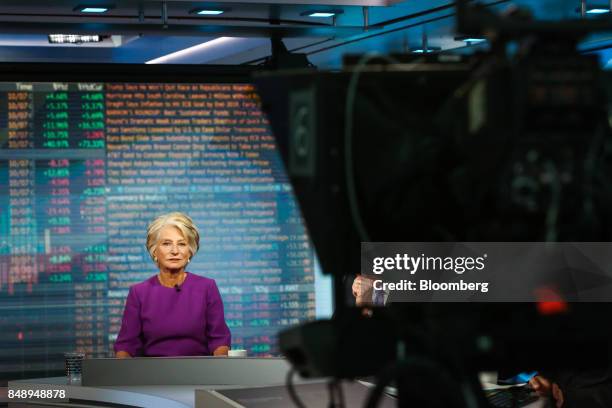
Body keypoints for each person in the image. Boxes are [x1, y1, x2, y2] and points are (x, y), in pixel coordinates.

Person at [114, 212, 230, 358]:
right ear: (154, 250)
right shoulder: (139, 293)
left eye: (181, 244)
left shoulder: (207, 287)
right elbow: (126, 345)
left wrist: (219, 371)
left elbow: (219, 340)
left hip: (200, 374)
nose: (174, 251)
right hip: (152, 374)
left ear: (190, 251)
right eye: (166, 243)